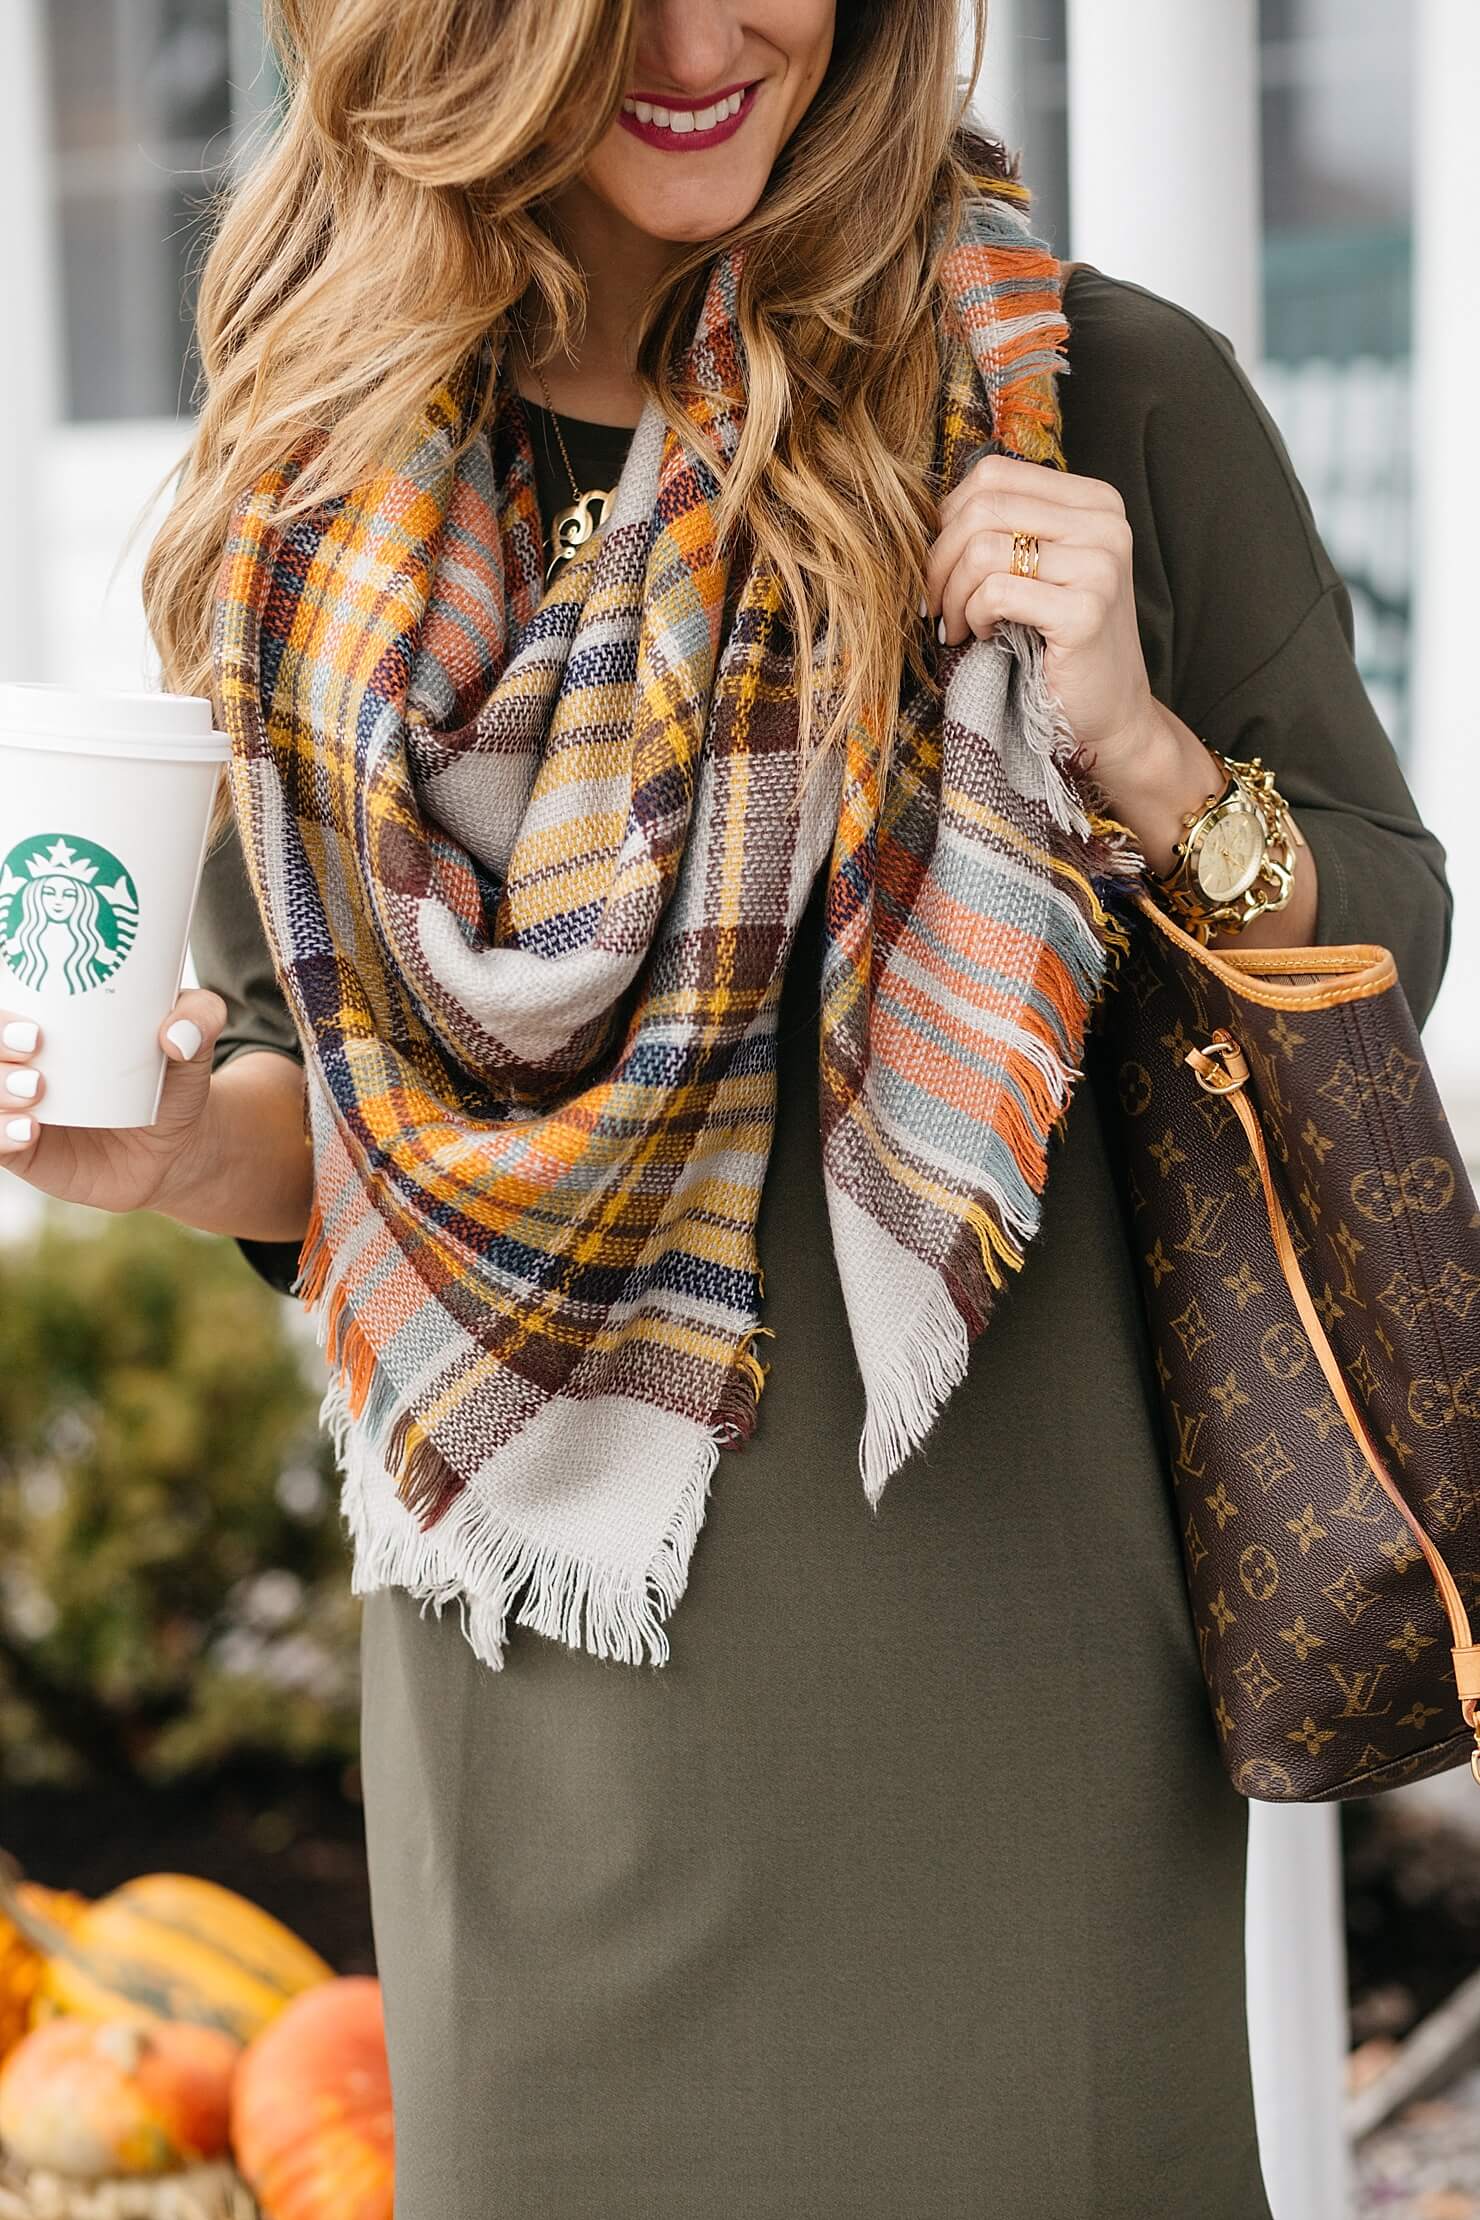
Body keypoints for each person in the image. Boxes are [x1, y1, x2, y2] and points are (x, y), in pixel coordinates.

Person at [0, 3, 1450, 2213]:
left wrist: (1139, 752)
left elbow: (1379, 933)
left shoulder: (1091, 396)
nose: (700, 38)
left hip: (1012, 1674)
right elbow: (330, 1104)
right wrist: (170, 1152)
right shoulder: (333, 469)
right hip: (543, 1684)